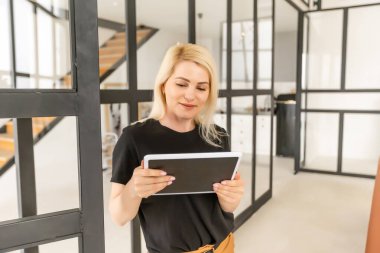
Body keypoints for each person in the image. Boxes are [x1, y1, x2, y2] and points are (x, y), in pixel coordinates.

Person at [109, 43, 244, 253]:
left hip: (224, 246)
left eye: (201, 87)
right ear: (163, 85)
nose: (191, 96)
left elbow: (226, 208)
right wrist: (134, 189)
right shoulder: (135, 138)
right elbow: (118, 217)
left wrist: (232, 198)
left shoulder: (218, 136)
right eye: (182, 84)